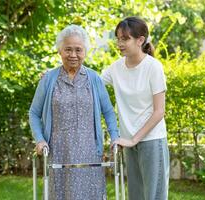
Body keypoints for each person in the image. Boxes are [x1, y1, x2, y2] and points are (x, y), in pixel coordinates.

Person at [29, 24, 119, 200]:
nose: (73, 55)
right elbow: (34, 113)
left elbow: (108, 112)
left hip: (90, 150)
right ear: (59, 51)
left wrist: (114, 137)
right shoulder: (48, 79)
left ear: (85, 52)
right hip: (58, 150)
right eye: (68, 49)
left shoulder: (94, 79)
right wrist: (40, 140)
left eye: (78, 50)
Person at [102, 17, 170, 200]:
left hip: (152, 140)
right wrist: (56, 73)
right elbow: (90, 81)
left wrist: (134, 139)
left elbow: (159, 112)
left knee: (154, 196)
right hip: (128, 142)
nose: (119, 43)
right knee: (136, 195)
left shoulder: (153, 67)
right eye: (118, 38)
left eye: (125, 39)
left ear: (140, 40)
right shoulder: (115, 68)